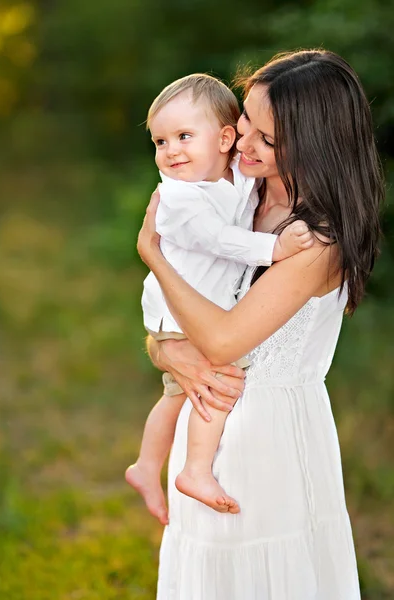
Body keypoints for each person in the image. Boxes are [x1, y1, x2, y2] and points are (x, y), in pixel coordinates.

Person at [137, 50, 383, 599]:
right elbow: (182, 316)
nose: (243, 142)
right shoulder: (235, 197)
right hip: (205, 418)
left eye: (266, 139)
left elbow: (222, 337)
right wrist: (163, 349)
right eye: (246, 119)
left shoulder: (316, 239)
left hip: (268, 443)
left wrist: (151, 253)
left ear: (313, 145)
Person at [125, 73, 313, 526]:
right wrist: (276, 249)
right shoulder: (178, 197)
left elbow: (242, 202)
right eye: (160, 141)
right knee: (217, 383)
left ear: (224, 138)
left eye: (184, 137)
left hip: (192, 315)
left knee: (176, 396)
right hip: (180, 315)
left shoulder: (233, 179)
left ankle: (147, 466)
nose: (170, 151)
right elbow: (220, 240)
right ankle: (194, 469)